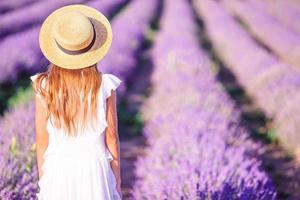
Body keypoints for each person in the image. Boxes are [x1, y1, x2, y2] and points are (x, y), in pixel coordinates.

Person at [30, 4, 122, 200]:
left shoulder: (44, 85)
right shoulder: (104, 84)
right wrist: (116, 182)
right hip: (94, 171)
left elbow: (42, 140)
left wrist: (43, 180)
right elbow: (112, 137)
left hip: (58, 168)